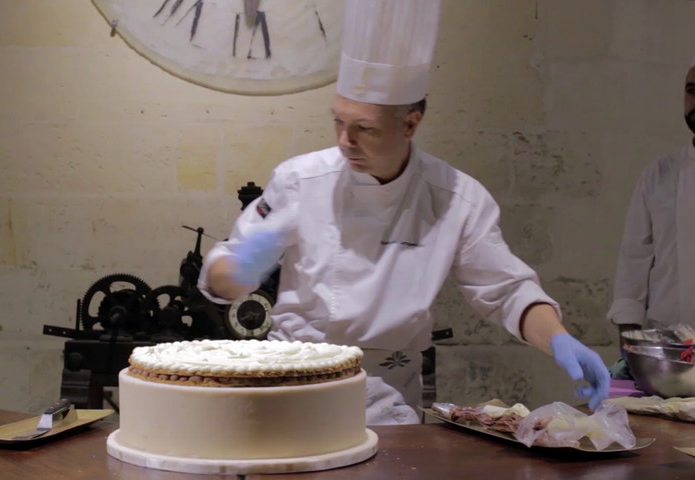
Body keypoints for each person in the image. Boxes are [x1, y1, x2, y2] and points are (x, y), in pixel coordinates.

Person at [198, 0, 609, 425]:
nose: (345, 140)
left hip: (387, 401)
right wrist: (239, 271)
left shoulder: (455, 198)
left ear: (410, 124)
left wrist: (560, 340)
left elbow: (506, 290)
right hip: (291, 385)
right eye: (338, 122)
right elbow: (221, 273)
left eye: (365, 128)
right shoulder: (300, 180)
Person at [607, 58, 695, 345]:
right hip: (671, 345)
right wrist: (628, 336)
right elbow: (634, 258)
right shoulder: (658, 175)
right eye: (691, 90)